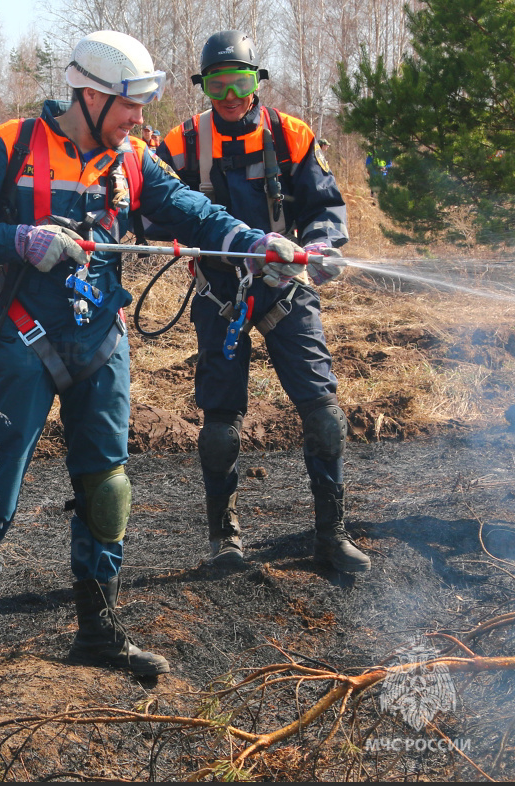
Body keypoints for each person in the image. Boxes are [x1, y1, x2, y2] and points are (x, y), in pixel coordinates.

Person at [0, 29, 314, 699]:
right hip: (23, 339)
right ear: (91, 95)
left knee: (107, 486)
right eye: (130, 105)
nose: (140, 119)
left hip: (101, 340)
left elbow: (186, 209)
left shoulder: (131, 158)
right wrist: (19, 238)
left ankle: (96, 628)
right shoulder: (8, 146)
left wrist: (253, 241)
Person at [154, 30, 369, 574]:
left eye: (241, 80)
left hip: (285, 286)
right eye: (217, 83)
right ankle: (224, 540)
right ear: (203, 86)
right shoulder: (179, 144)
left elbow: (325, 205)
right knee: (221, 420)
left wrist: (321, 245)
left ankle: (331, 535)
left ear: (258, 81)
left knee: (322, 413)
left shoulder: (292, 135)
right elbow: (148, 211)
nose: (229, 93)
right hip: (218, 292)